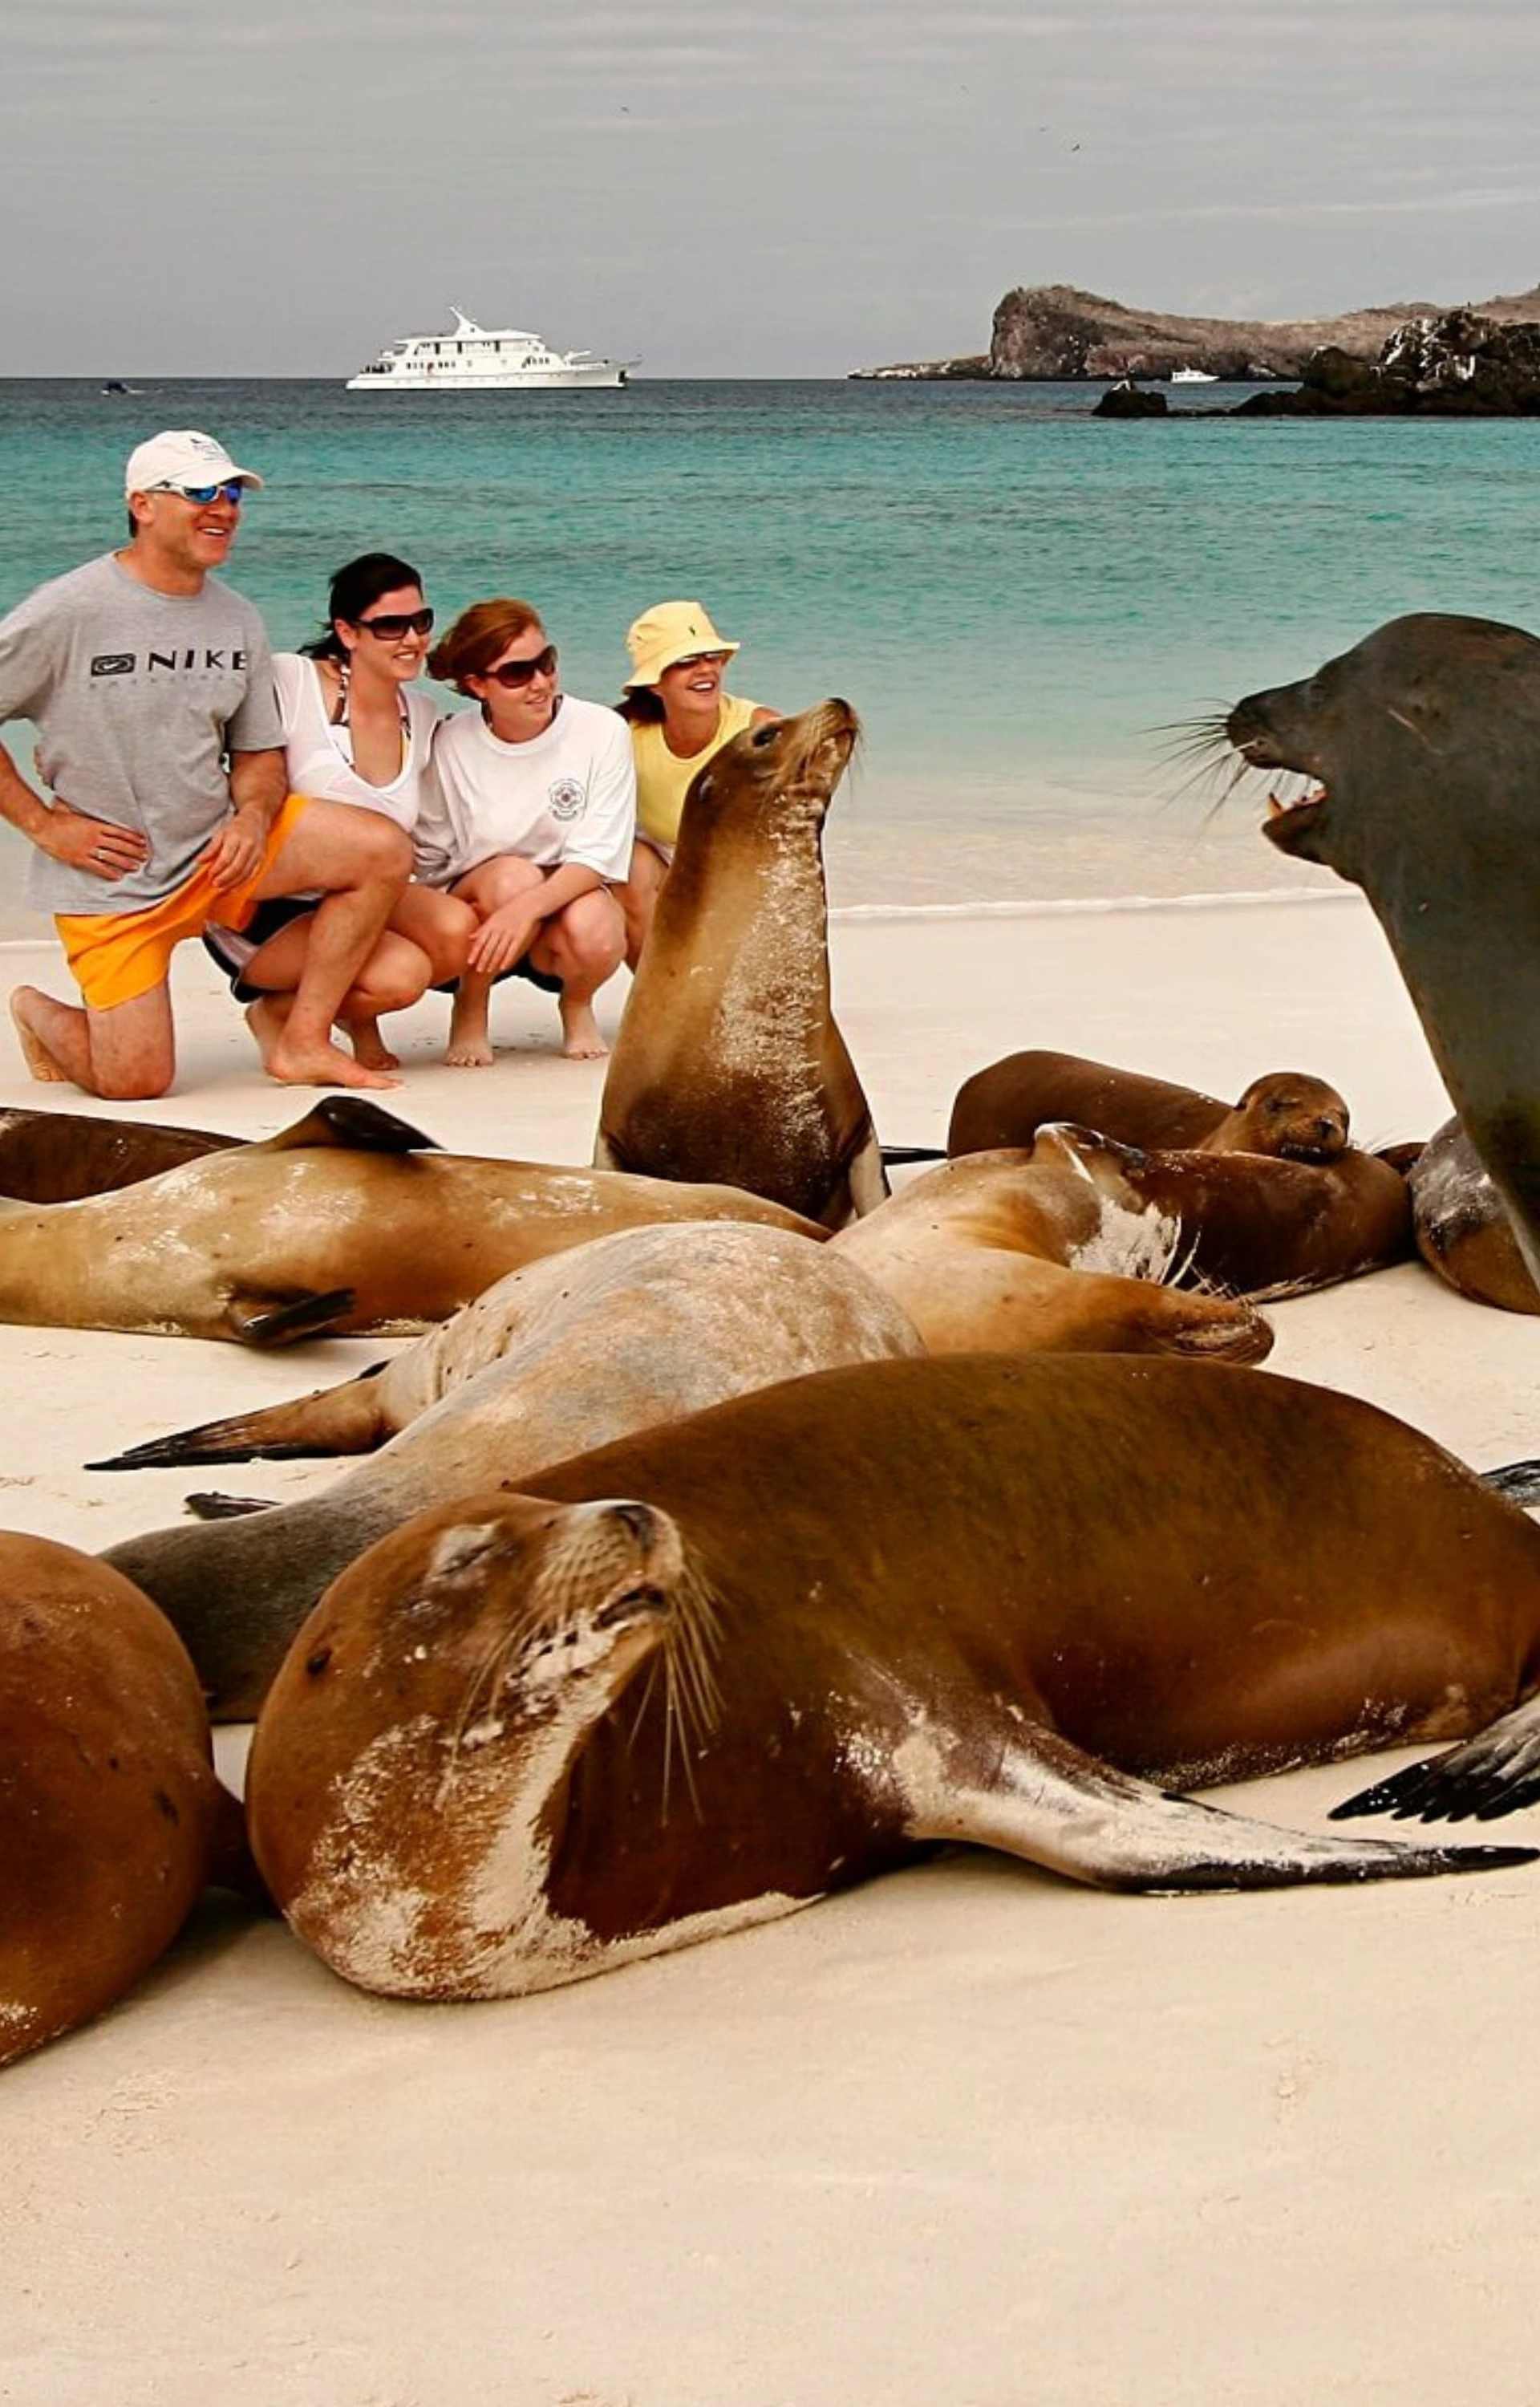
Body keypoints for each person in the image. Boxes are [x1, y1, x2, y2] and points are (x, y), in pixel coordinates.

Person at [0, 430, 409, 1098]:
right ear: (142, 505)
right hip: (114, 876)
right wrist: (45, 828)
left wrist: (252, 816)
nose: (223, 508)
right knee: (134, 1082)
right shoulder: (69, 611)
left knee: (381, 849)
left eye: (231, 494)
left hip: (218, 850)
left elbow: (258, 752)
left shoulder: (237, 619)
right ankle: (35, 1010)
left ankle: (303, 1041)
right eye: (199, 493)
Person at [202, 554, 475, 1074]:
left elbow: (425, 840)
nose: (413, 639)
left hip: (355, 904)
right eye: (391, 626)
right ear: (348, 632)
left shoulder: (421, 715)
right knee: (402, 976)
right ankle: (299, 1035)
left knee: (458, 930)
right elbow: (196, 726)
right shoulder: (292, 680)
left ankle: (285, 1014)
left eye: (421, 622)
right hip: (266, 908)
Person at [418, 600, 633, 1065]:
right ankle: (471, 1005)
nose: (540, 683)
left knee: (596, 929)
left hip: (561, 900)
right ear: (477, 685)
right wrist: (504, 904)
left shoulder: (602, 730)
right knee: (510, 876)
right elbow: (433, 859)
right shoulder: (450, 742)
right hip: (482, 909)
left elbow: (598, 855)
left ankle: (577, 1004)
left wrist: (527, 910)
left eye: (545, 663)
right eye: (517, 673)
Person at [611, 599, 777, 966]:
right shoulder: (621, 733)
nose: (705, 670)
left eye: (712, 657)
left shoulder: (759, 729)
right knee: (625, 866)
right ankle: (661, 1003)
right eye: (686, 662)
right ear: (655, 684)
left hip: (735, 868)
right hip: (661, 859)